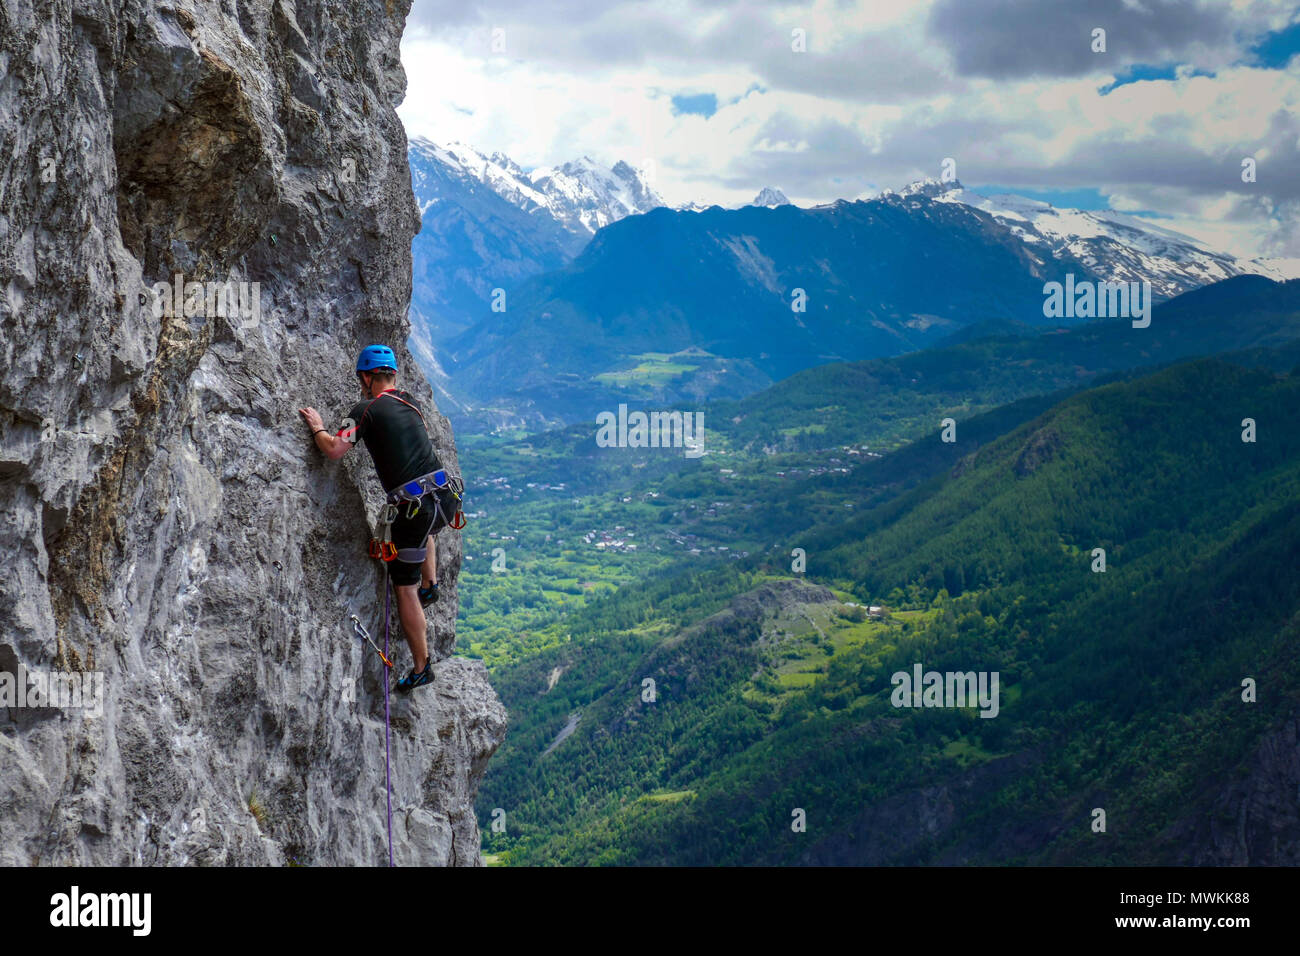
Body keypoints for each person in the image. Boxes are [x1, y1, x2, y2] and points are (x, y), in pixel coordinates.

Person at [298, 345, 459, 692]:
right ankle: (431, 586)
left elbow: (334, 450)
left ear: (368, 378)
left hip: (414, 510)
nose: (361, 385)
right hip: (444, 498)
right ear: (393, 375)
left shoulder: (364, 410)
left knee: (404, 587)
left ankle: (421, 666)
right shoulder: (409, 402)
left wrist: (317, 427)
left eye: (362, 379)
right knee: (427, 528)